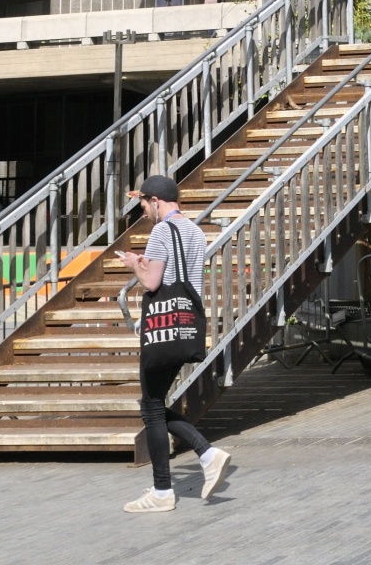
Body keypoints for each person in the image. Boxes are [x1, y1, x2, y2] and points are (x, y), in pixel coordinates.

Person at [119, 175, 233, 513]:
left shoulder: (159, 232)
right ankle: (206, 456)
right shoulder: (195, 232)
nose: (143, 211)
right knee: (153, 404)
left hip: (161, 328)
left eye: (143, 204)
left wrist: (134, 265)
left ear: (156, 201)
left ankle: (164, 490)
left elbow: (153, 282)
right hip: (184, 324)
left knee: (152, 408)